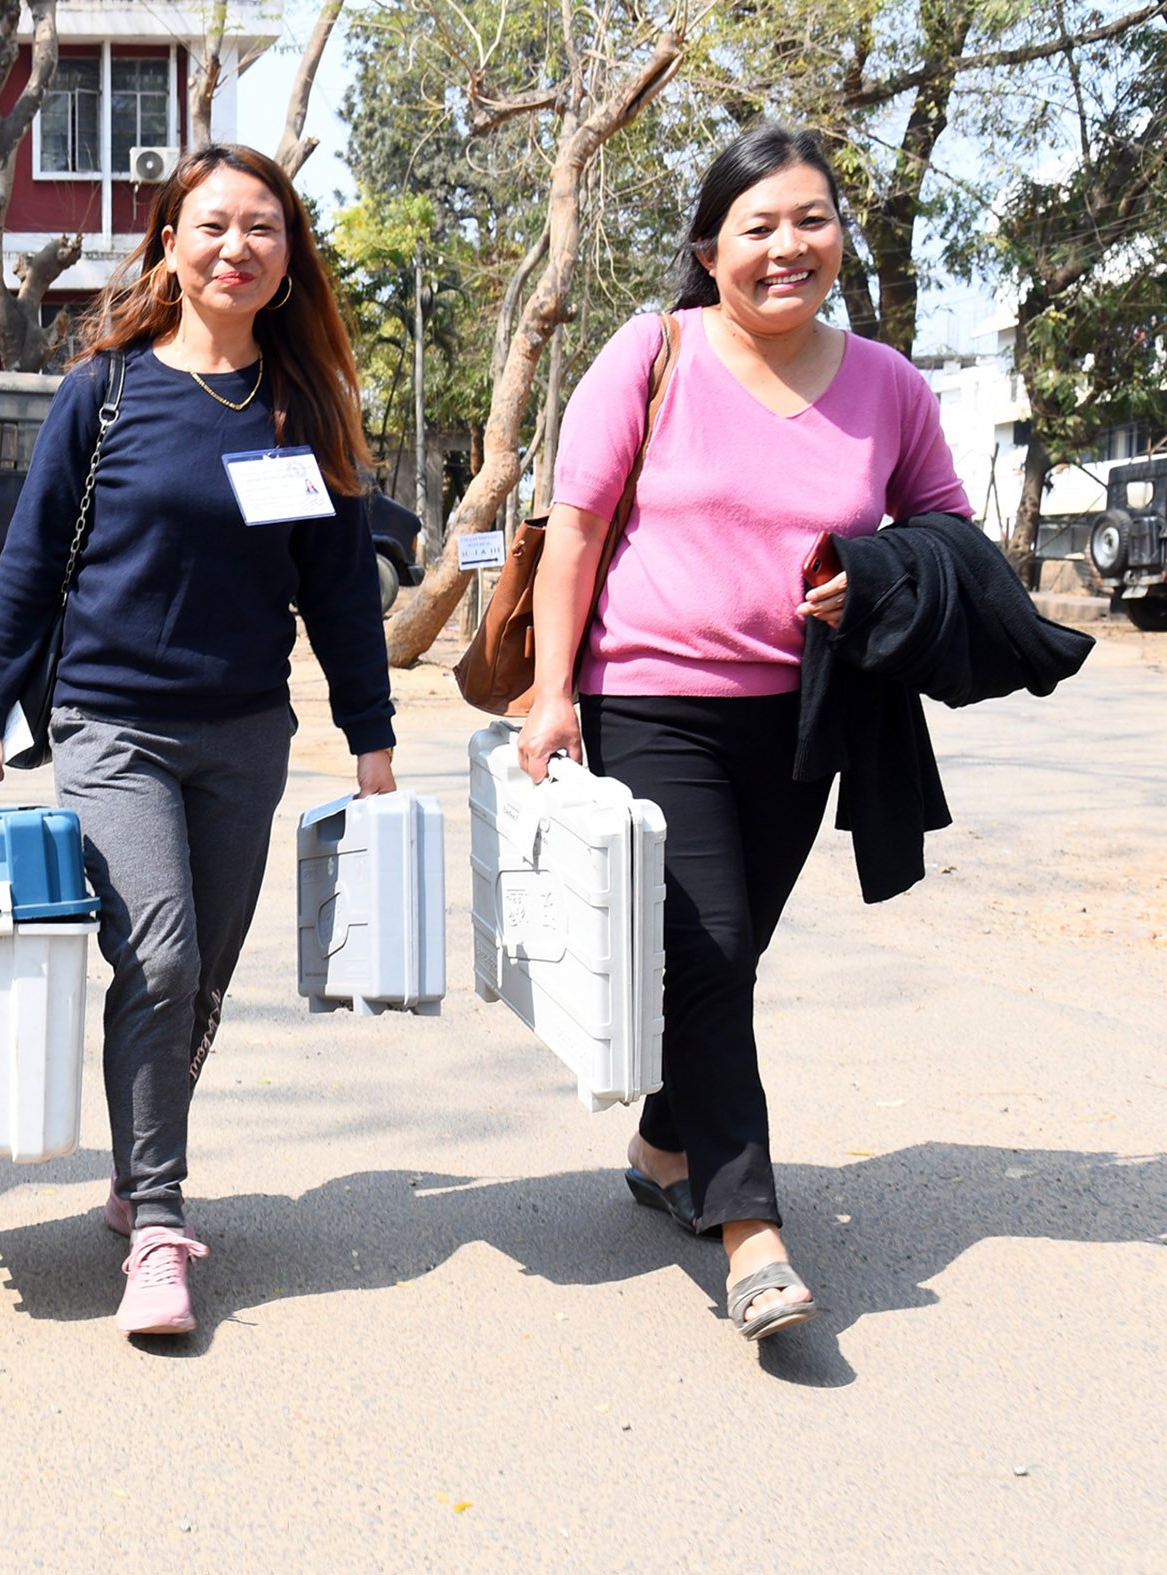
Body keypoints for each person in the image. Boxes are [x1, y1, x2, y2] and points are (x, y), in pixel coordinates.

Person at [518, 126, 971, 1341]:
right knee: (709, 949)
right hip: (648, 697)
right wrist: (553, 690)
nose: (786, 248)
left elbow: (947, 534)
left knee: (723, 956)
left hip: (806, 715)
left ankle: (666, 1143)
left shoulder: (889, 384)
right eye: (757, 226)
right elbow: (575, 528)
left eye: (810, 221)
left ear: (839, 234)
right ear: (710, 246)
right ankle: (750, 1229)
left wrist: (874, 575)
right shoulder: (650, 351)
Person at [0, 143, 396, 1338]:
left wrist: (371, 732)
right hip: (110, 725)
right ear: (168, 243)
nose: (235, 246)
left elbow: (341, 595)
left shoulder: (303, 410)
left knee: (198, 977)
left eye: (262, 228)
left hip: (245, 733)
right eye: (211, 225)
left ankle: (132, 1169)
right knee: (155, 956)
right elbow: (32, 565)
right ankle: (158, 1223)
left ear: (287, 257)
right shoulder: (104, 392)